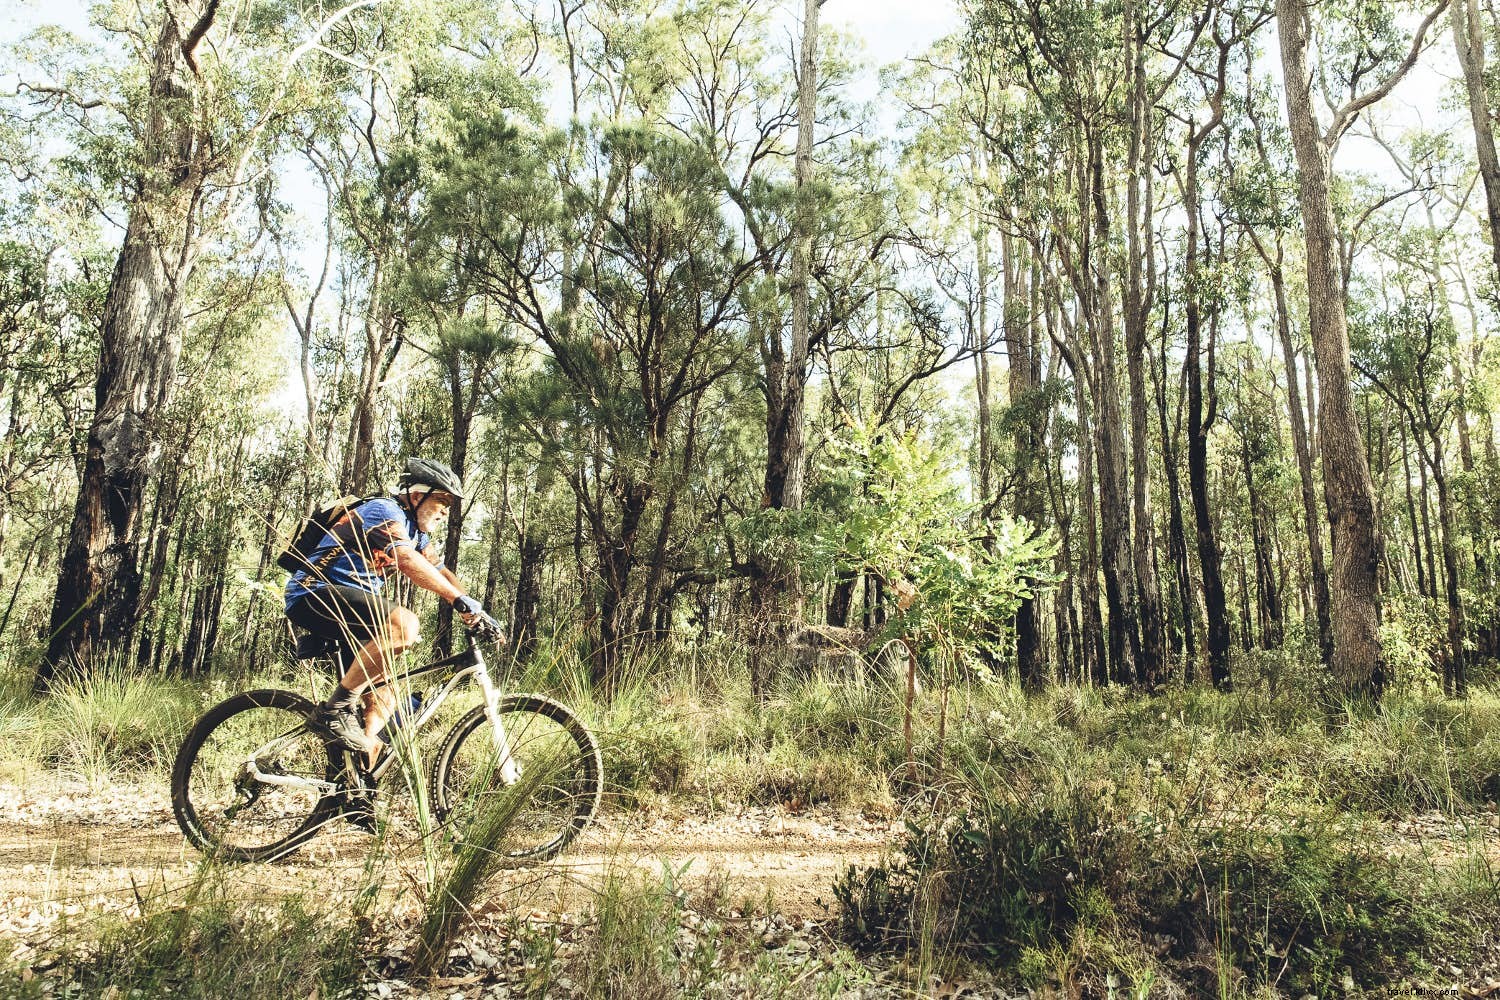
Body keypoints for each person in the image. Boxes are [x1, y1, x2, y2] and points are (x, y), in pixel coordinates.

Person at [285, 458, 505, 762]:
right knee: (405, 624)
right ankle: (333, 710)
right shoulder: (385, 511)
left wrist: (476, 609)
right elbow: (406, 560)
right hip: (313, 593)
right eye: (442, 501)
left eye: (449, 506)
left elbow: (441, 572)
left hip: (354, 611)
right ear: (417, 496)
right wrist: (456, 601)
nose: (445, 512)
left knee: (384, 699)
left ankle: (355, 784)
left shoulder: (418, 535)